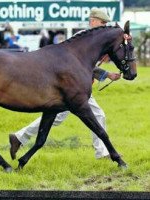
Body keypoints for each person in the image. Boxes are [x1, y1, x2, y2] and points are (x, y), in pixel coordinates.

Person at [9, 8, 121, 160]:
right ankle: (102, 153)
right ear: (93, 21)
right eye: (102, 23)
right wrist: (106, 74)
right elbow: (78, 66)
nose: (104, 26)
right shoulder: (81, 38)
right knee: (66, 116)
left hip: (77, 88)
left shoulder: (94, 40)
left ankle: (20, 137)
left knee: (85, 115)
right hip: (71, 88)